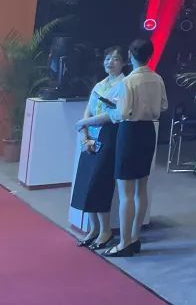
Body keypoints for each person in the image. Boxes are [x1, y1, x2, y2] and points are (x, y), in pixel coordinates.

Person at [105, 38, 169, 258]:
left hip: (130, 132)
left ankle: (124, 243)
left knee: (126, 193)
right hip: (148, 131)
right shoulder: (157, 78)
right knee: (142, 188)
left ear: (130, 56)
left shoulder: (129, 81)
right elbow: (163, 105)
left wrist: (110, 110)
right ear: (150, 56)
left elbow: (122, 113)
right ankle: (135, 237)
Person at [71, 46, 126, 250]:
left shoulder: (124, 85)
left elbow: (114, 115)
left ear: (123, 63)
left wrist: (84, 123)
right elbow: (88, 111)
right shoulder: (99, 85)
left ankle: (105, 231)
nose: (110, 62)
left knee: (100, 184)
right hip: (90, 136)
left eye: (115, 59)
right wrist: (84, 136)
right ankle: (93, 229)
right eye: (107, 58)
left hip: (108, 135)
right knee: (86, 184)